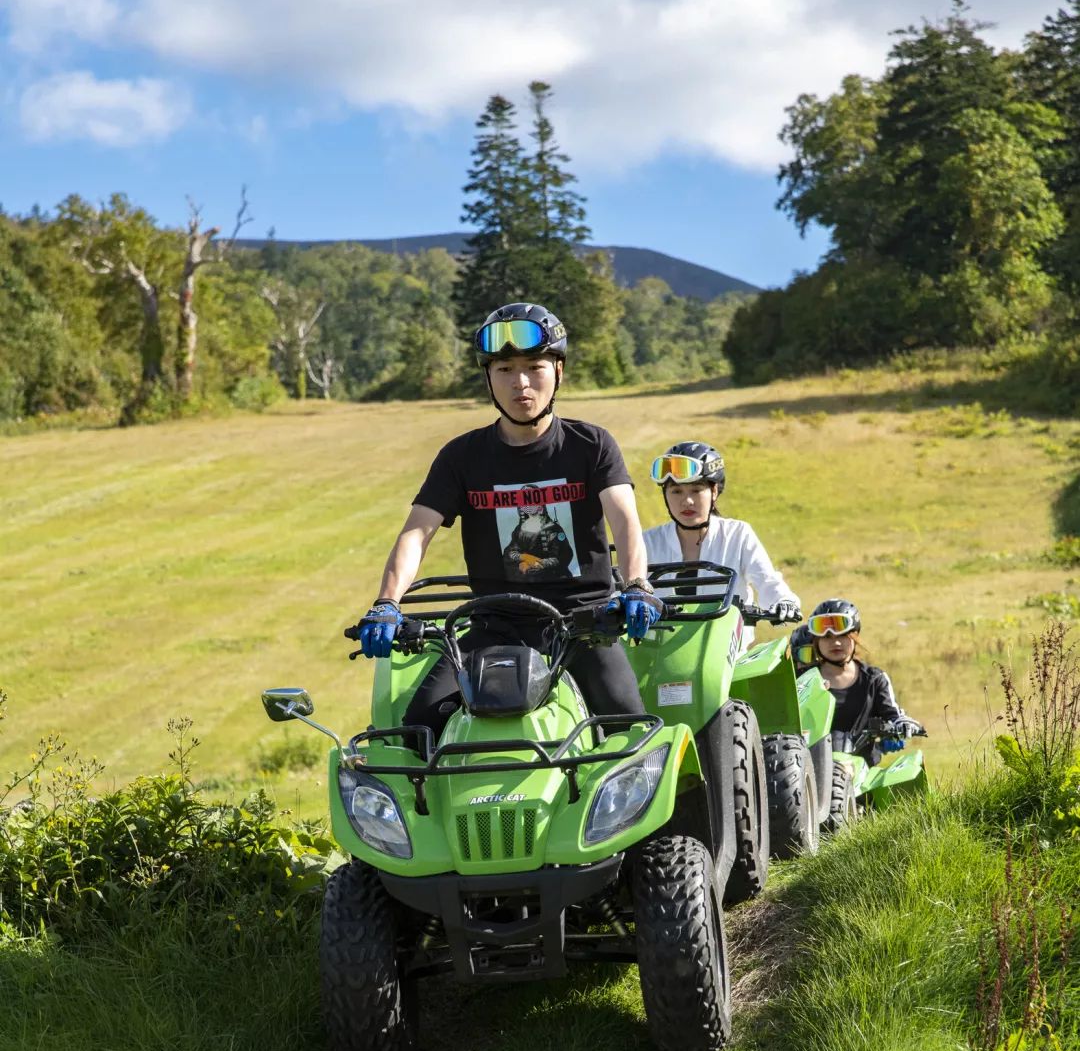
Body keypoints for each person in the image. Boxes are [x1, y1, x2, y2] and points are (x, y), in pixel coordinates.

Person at [355, 302, 663, 743]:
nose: (520, 383)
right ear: (488, 378)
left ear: (559, 371)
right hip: (490, 628)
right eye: (504, 369)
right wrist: (386, 603)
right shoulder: (461, 457)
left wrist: (636, 586)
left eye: (535, 367)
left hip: (584, 625)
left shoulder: (591, 445)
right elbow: (415, 533)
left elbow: (625, 520)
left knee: (630, 735)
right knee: (415, 732)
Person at [643, 441, 800, 624]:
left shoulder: (738, 534)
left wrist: (784, 601)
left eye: (696, 490)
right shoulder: (647, 542)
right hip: (661, 649)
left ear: (714, 491)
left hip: (729, 650)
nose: (687, 501)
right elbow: (624, 589)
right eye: (676, 491)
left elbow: (768, 581)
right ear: (665, 494)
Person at [796, 598, 923, 762]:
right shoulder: (802, 680)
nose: (835, 642)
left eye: (842, 635)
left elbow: (894, 715)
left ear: (855, 636)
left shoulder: (874, 679)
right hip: (812, 769)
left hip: (861, 772)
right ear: (816, 641)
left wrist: (901, 726)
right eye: (827, 636)